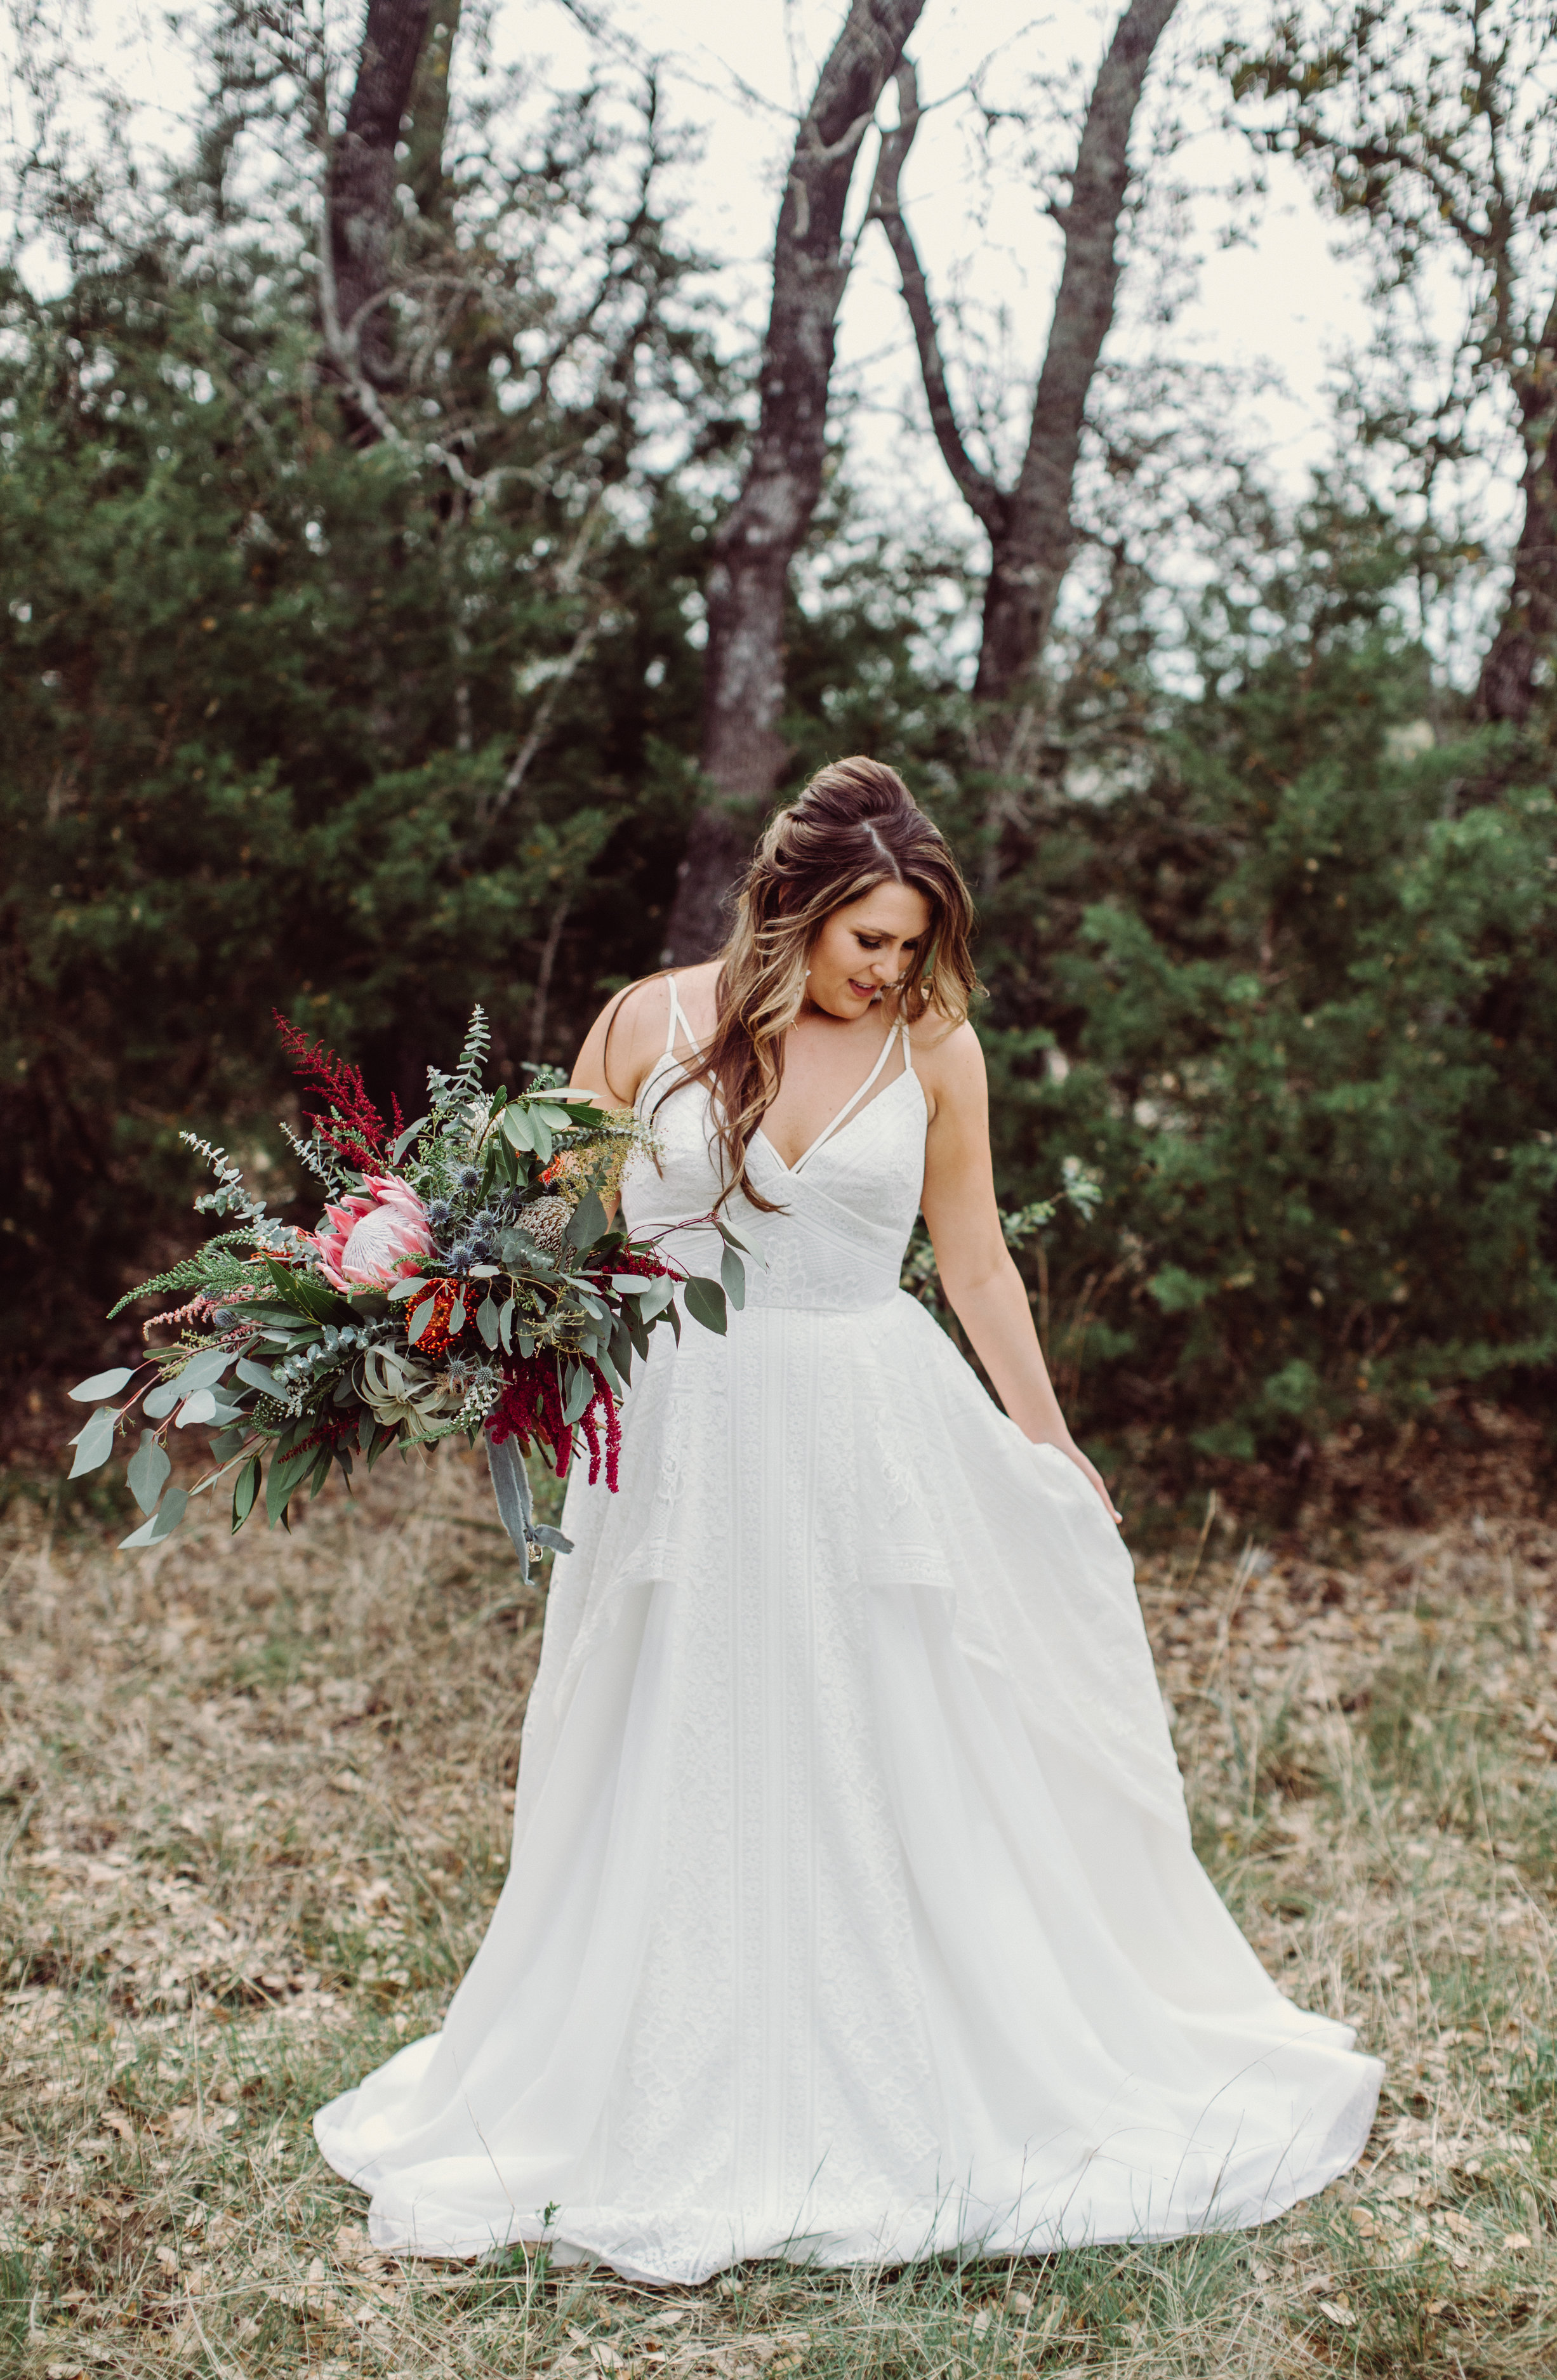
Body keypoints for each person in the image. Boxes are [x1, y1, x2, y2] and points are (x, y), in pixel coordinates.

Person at [315, 757, 1381, 2284]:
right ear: (791, 905)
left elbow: (978, 1261)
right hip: (679, 1431)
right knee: (672, 1726)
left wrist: (1050, 1440)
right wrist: (414, 1280)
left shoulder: (934, 1047)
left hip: (869, 1432)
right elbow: (558, 1228)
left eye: (906, 944)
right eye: (865, 939)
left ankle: (906, 2054)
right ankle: (665, 2064)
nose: (887, 969)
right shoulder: (643, 1024)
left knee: (885, 1729)